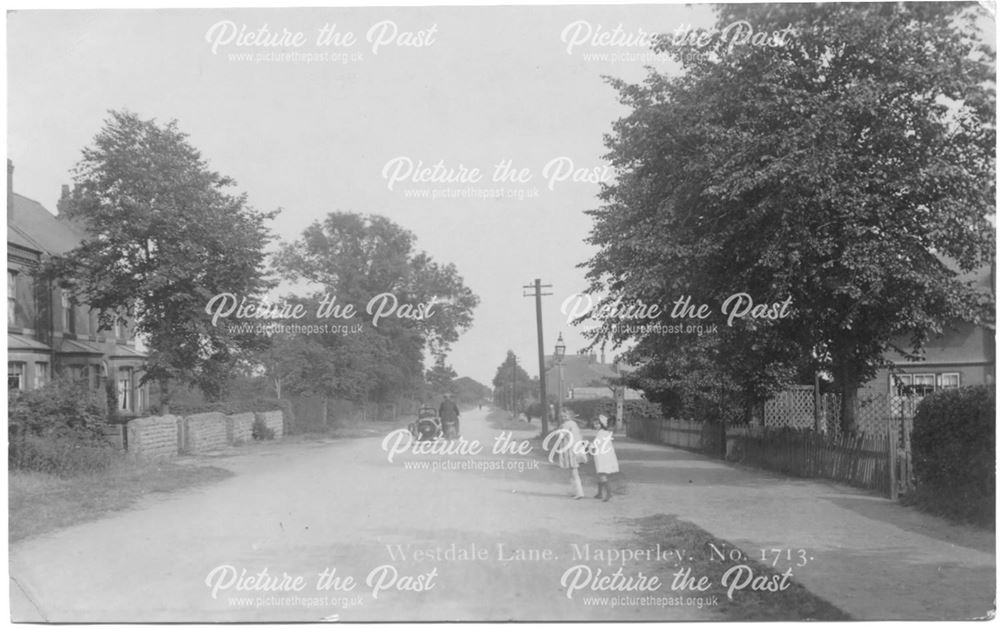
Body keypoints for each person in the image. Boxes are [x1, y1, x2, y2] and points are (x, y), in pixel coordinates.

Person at [552, 410, 587, 499]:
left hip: (570, 449)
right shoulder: (574, 424)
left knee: (574, 472)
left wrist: (556, 431)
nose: (563, 418)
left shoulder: (566, 425)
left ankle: (579, 492)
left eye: (565, 416)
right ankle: (574, 491)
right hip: (576, 448)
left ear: (570, 416)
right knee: (573, 471)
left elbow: (560, 436)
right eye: (562, 416)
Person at [592, 414, 619, 501]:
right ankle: (600, 493)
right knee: (600, 475)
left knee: (602, 475)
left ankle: (609, 494)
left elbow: (596, 444)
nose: (595, 425)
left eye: (597, 424)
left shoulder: (601, 433)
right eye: (594, 423)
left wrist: (587, 447)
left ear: (602, 424)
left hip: (603, 458)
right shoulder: (605, 433)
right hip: (605, 456)